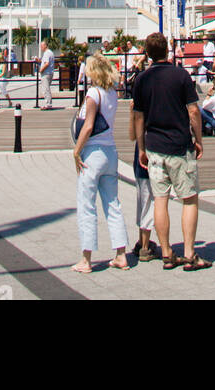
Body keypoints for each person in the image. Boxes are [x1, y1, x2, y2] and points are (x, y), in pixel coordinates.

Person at [132, 32, 211, 271]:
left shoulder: (142, 80)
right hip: (179, 145)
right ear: (167, 50)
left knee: (160, 200)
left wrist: (141, 148)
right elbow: (194, 111)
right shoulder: (180, 75)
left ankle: (166, 252)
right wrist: (198, 139)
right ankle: (189, 253)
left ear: (147, 53)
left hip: (155, 147)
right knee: (189, 199)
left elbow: (138, 116)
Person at [71, 54, 128, 273]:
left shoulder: (93, 94)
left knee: (87, 204)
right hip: (110, 151)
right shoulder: (112, 93)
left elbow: (88, 126)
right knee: (113, 203)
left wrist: (76, 151)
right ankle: (121, 253)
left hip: (93, 152)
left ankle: (86, 259)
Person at [128, 85, 157, 262]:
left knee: (142, 200)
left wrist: (131, 114)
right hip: (150, 156)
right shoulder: (154, 111)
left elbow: (132, 136)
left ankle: (141, 241)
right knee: (149, 202)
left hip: (138, 158)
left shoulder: (138, 111)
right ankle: (145, 246)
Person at [37, 39, 55, 109]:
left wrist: (41, 70)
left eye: (42, 46)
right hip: (49, 73)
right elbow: (45, 62)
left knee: (46, 89)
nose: (41, 47)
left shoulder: (47, 53)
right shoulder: (50, 52)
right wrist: (39, 61)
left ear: (45, 45)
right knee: (46, 88)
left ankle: (48, 104)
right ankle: (48, 103)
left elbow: (47, 63)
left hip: (46, 73)